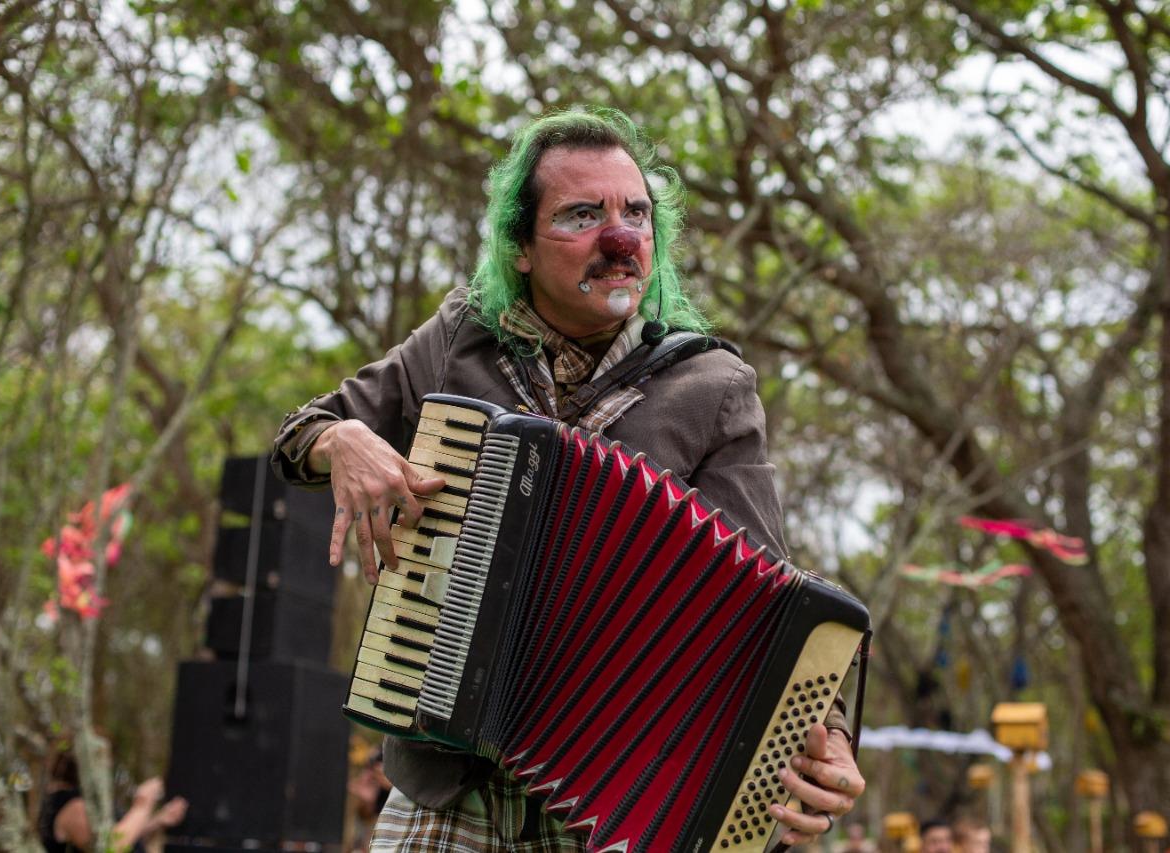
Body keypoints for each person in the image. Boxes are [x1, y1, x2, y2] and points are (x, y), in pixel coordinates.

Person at [272, 106, 866, 851]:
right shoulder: (460, 341)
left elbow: (768, 601)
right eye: (582, 214)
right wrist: (344, 437)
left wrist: (830, 733)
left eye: (636, 213)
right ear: (519, 246)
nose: (619, 238)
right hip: (449, 794)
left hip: (615, 809)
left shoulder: (711, 384)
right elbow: (297, 435)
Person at [37, 750, 187, 852]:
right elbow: (110, 848)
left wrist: (157, 821)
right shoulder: (73, 807)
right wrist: (142, 806)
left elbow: (121, 837)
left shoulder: (81, 802)